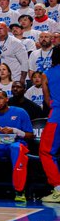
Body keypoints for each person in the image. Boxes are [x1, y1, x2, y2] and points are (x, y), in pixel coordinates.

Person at [41, 56, 60, 204]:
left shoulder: (47, 73)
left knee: (46, 151)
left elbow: (47, 100)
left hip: (57, 116)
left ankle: (58, 190)